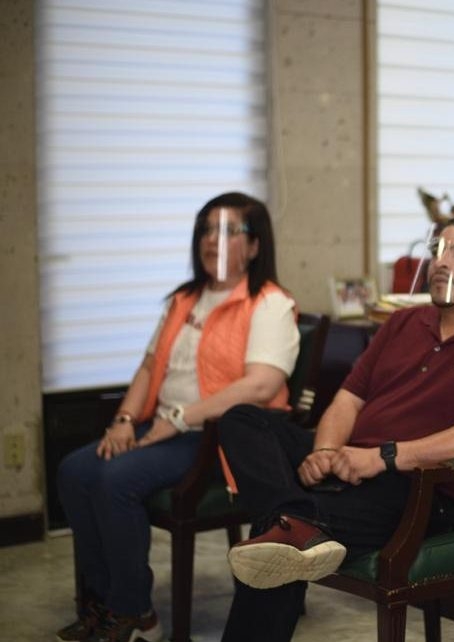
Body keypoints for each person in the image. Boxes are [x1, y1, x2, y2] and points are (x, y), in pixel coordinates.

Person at [215, 214, 454, 642]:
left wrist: (383, 457)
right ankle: (296, 521)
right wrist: (325, 451)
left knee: (274, 541)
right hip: (351, 464)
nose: (441, 262)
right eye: (438, 250)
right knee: (243, 418)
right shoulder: (403, 323)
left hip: (425, 488)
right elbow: (346, 401)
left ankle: (293, 523)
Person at [56, 193, 300, 642]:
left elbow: (261, 385)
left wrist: (182, 417)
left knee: (115, 481)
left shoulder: (269, 303)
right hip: (165, 426)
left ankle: (135, 613)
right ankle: (103, 602)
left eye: (228, 230)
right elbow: (150, 366)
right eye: (206, 229)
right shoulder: (185, 299)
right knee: (75, 471)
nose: (212, 239)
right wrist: (125, 419)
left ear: (254, 246)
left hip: (219, 438)